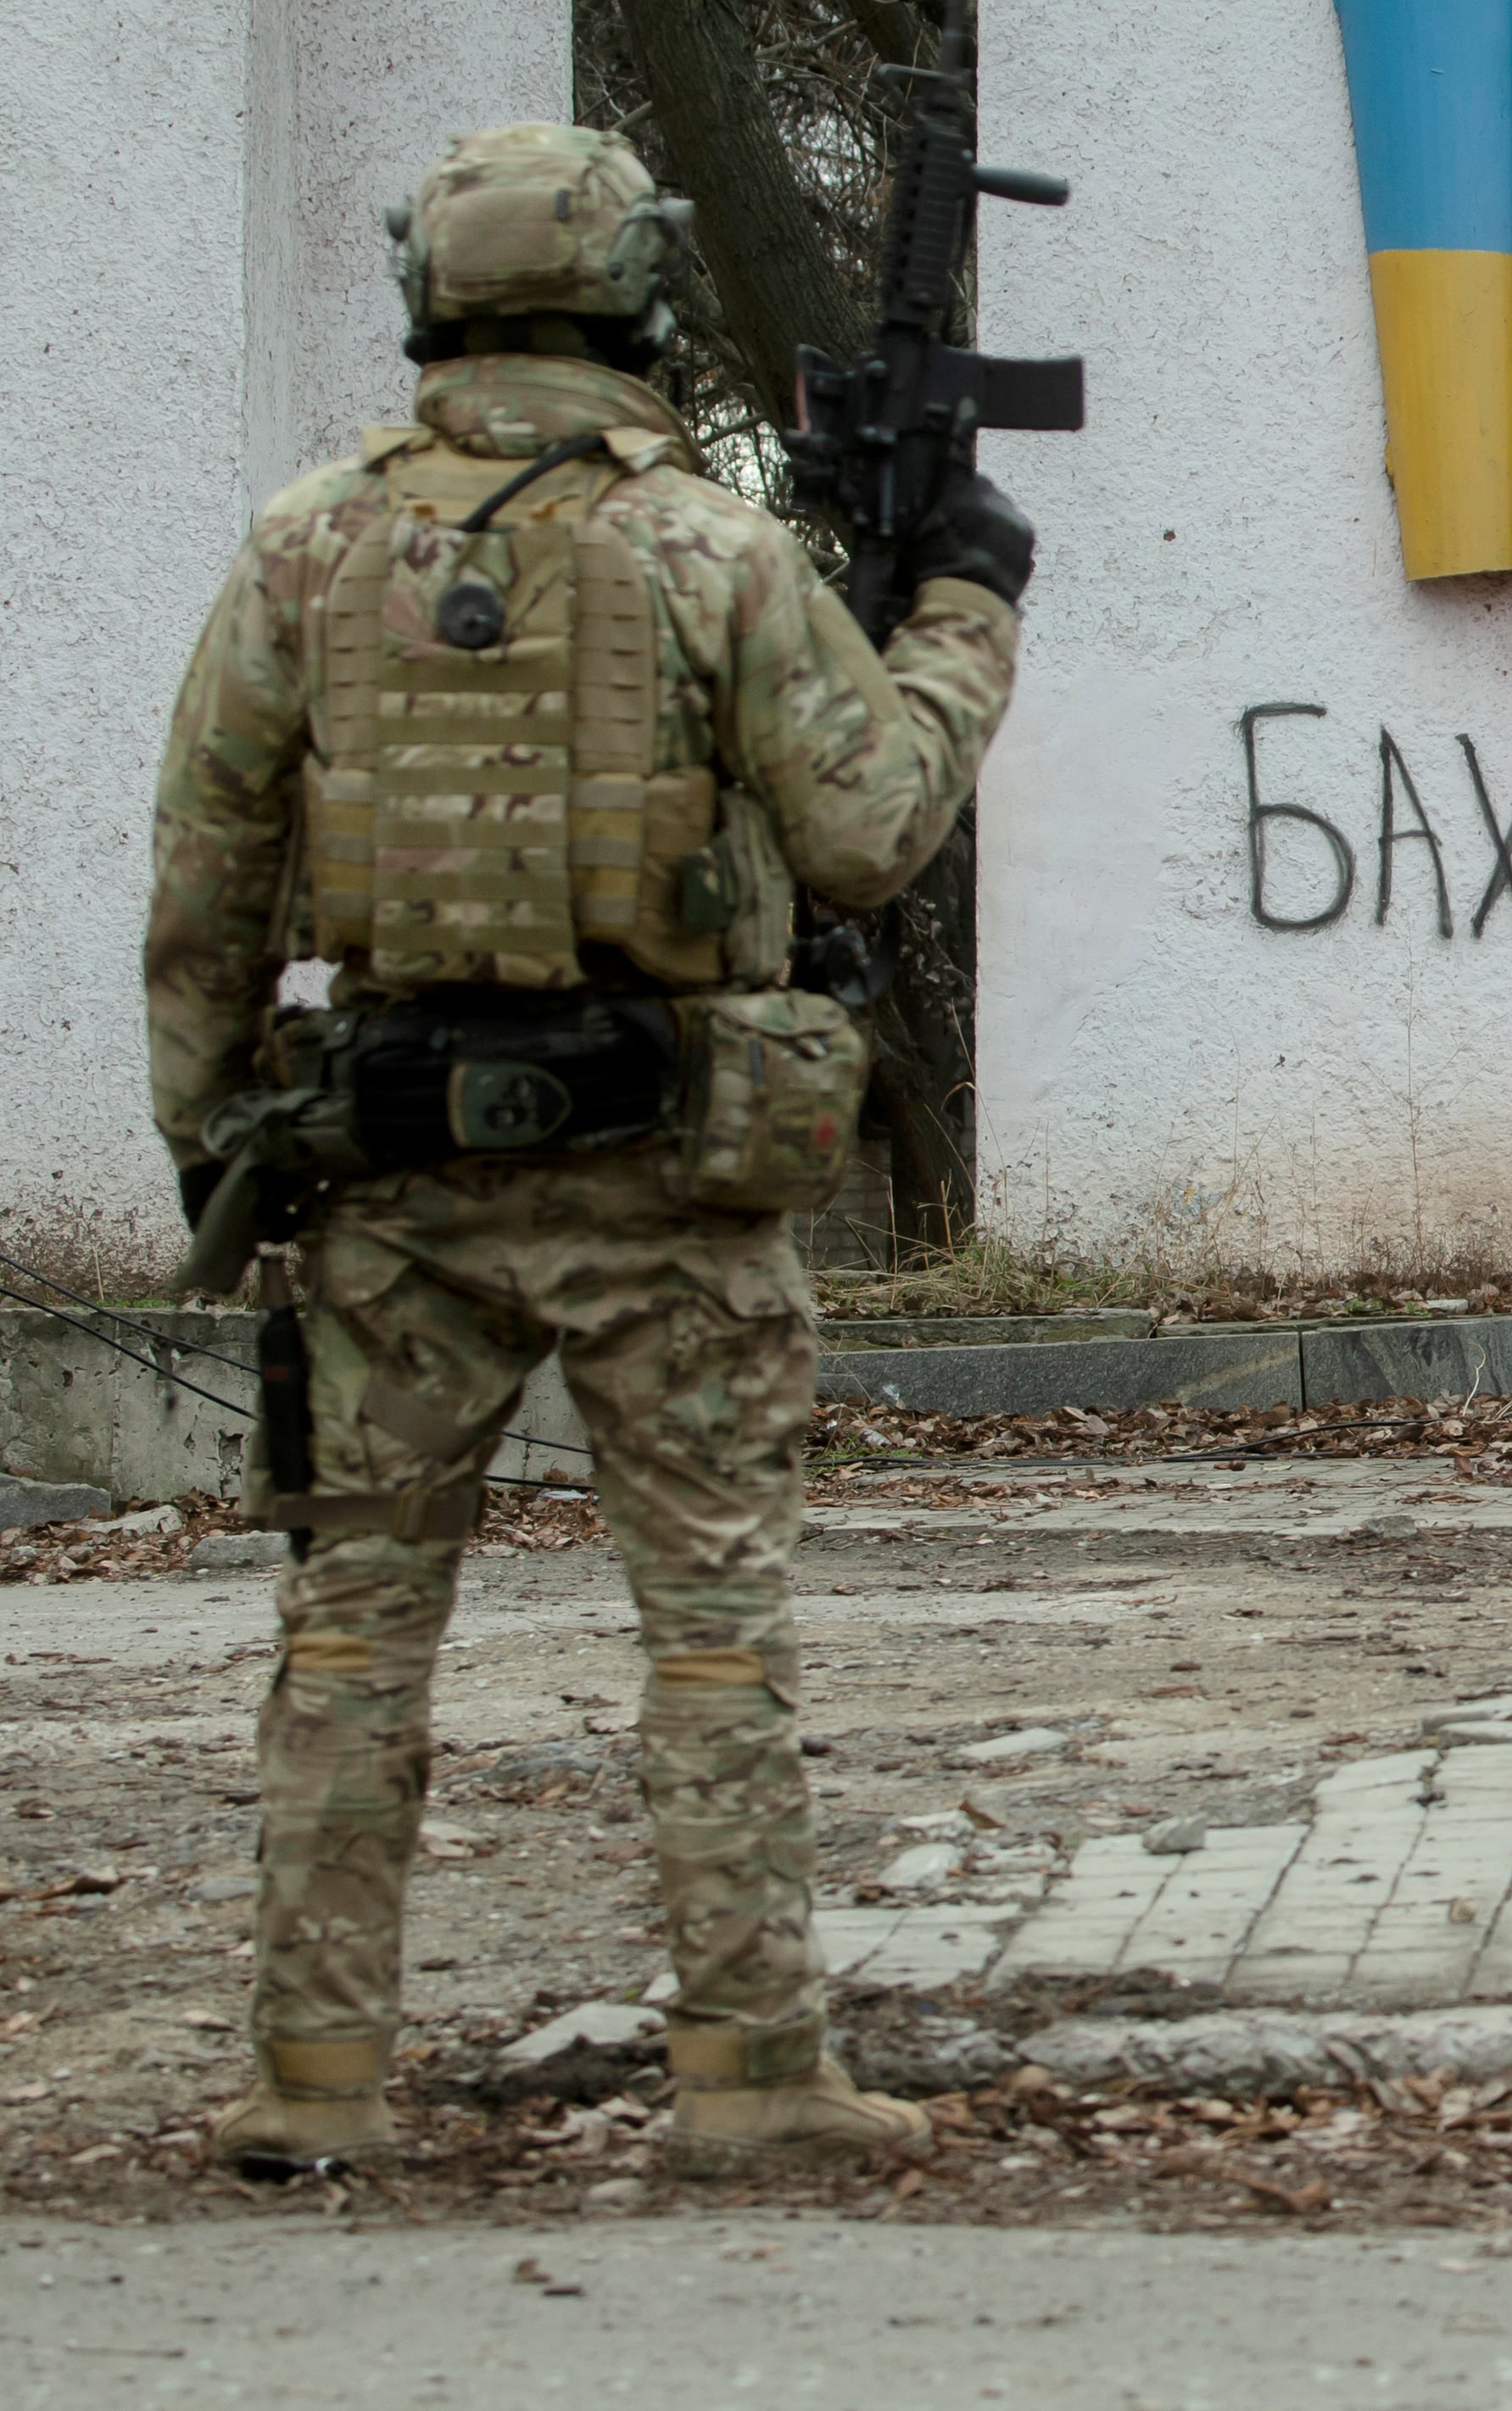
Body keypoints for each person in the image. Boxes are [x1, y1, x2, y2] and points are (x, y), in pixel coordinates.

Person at [149, 124, 1035, 2174]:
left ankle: (311, 2085)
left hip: (389, 1181)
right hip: (672, 1188)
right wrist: (964, 607)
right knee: (713, 1630)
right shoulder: (711, 552)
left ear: (428, 304)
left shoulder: (307, 546)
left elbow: (204, 882)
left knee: (354, 1633)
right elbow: (869, 824)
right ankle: (751, 2077)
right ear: (636, 302)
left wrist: (224, 1142)